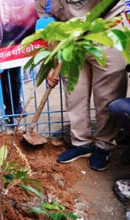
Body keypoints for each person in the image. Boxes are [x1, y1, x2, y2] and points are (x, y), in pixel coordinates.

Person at [36, 0, 127, 171]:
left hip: (106, 30)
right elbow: (50, 29)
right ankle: (81, 143)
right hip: (70, 40)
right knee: (74, 93)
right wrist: (54, 64)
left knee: (107, 95)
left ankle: (104, 146)